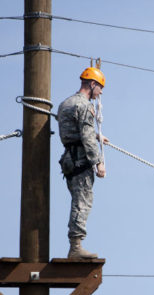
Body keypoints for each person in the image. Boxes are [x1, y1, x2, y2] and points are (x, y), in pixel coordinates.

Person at [57, 66, 109, 259]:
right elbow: (85, 136)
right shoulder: (85, 106)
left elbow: (73, 130)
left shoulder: (66, 104)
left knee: (78, 199)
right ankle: (76, 246)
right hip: (80, 160)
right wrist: (99, 162)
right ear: (92, 84)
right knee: (83, 201)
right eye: (100, 87)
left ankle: (75, 245)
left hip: (69, 159)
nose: (101, 92)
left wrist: (97, 136)